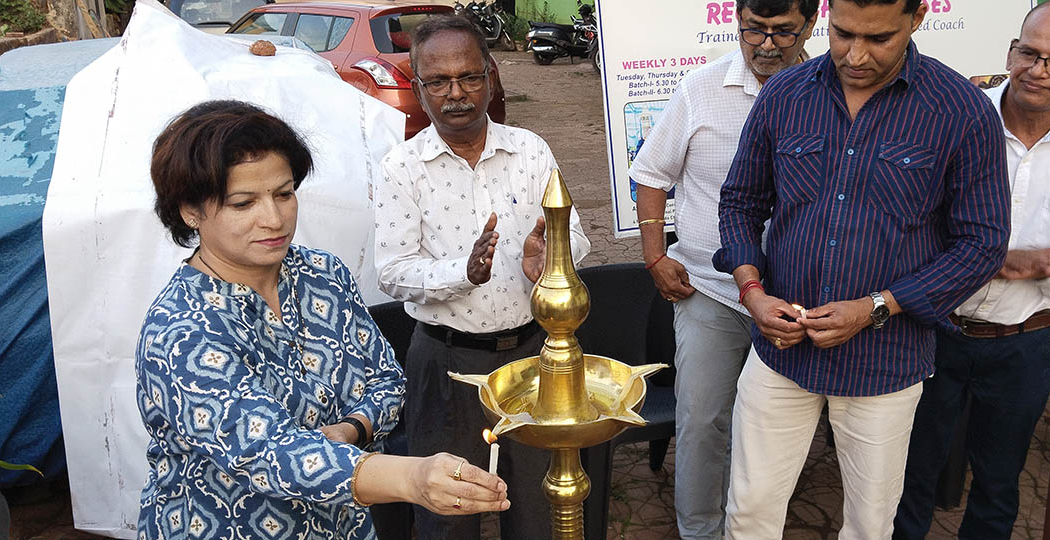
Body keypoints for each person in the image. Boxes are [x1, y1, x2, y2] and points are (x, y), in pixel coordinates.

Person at [136, 100, 509, 540]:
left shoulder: (321, 275)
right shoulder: (181, 331)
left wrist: (353, 428)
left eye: (284, 193)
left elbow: (387, 380)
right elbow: (268, 453)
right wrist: (412, 480)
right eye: (243, 203)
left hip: (342, 525)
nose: (273, 218)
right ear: (189, 210)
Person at [713, 0, 1012, 537]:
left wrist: (877, 306)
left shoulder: (961, 110)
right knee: (749, 509)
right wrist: (752, 291)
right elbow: (740, 202)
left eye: (878, 39)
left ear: (917, 17)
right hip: (782, 354)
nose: (855, 55)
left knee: (871, 523)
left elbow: (982, 244)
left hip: (886, 361)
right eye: (843, 33)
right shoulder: (786, 94)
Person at [892, 2, 1050, 538]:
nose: (1039, 70)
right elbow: (902, 220)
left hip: (1023, 340)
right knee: (906, 478)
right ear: (1011, 51)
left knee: (1000, 483)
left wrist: (1046, 266)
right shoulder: (954, 118)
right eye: (1029, 53)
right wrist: (982, 259)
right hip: (929, 331)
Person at [373, 15, 590, 540]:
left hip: (534, 358)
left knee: (540, 509)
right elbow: (391, 271)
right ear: (418, 87)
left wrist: (553, 258)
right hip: (446, 365)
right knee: (447, 512)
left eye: (469, 77)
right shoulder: (402, 167)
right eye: (438, 81)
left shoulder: (530, 150)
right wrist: (462, 273)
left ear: (490, 78)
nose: (456, 94)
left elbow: (576, 234)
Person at [628, 0, 816, 537]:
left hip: (793, 299)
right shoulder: (701, 88)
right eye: (753, 29)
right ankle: (701, 529)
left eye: (783, 32)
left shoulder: (828, 92)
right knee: (703, 418)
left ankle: (753, 525)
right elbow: (652, 173)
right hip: (709, 291)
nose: (766, 44)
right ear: (735, 22)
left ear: (809, 25)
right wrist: (655, 255)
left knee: (774, 427)